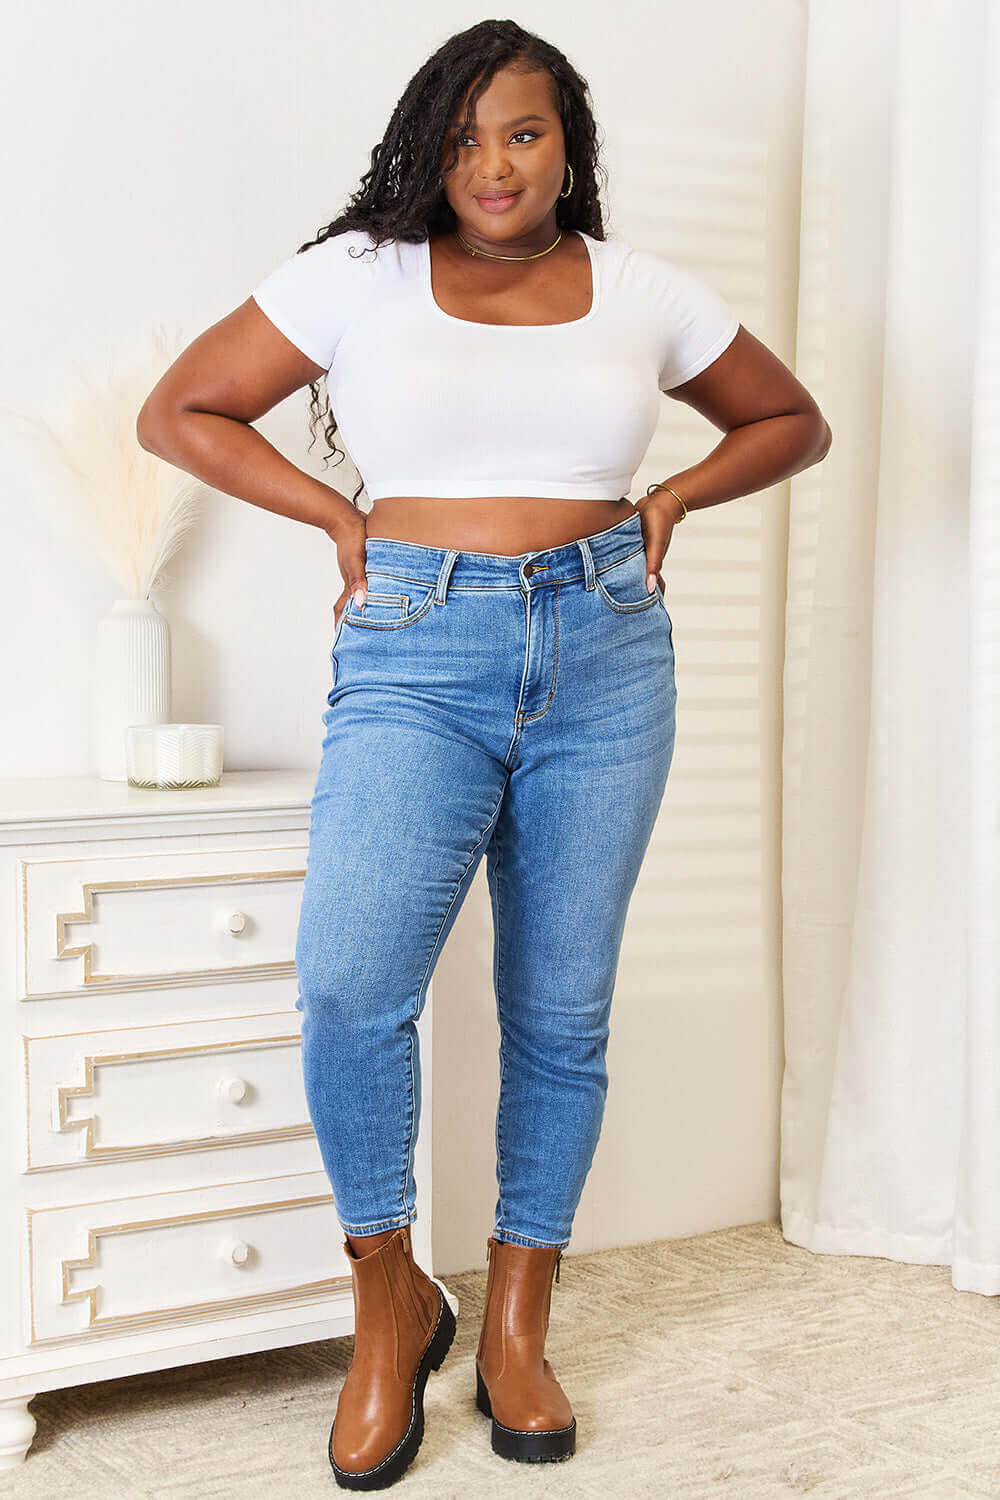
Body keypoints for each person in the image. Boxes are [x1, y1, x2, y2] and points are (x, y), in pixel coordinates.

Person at [137, 18, 831, 1491]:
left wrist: (677, 498)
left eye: (521, 133)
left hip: (607, 655)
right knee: (349, 982)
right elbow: (183, 409)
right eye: (462, 139)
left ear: (567, 140)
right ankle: (389, 1300)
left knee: (560, 1008)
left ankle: (519, 1319)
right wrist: (340, 519)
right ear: (426, 151)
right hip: (415, 650)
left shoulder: (641, 290)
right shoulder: (358, 277)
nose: (493, 165)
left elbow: (791, 418)